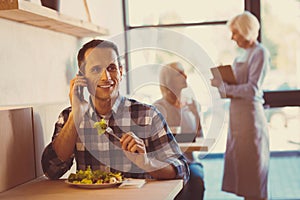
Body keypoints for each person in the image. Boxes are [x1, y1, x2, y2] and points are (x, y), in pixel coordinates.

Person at [41, 39, 190, 197]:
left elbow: (181, 169)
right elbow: (52, 170)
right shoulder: (69, 116)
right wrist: (75, 116)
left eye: (111, 68)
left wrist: (147, 163)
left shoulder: (147, 115)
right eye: (96, 69)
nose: (106, 77)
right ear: (82, 77)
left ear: (120, 71)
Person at [211, 11, 270, 200]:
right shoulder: (243, 55)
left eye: (235, 32)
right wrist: (221, 84)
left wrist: (226, 86)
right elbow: (236, 88)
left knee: (253, 175)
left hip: (250, 121)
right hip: (237, 121)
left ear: (246, 31)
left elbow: (252, 90)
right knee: (244, 176)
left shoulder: (260, 53)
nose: (232, 37)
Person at [153, 62, 205, 200]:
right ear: (168, 80)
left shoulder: (193, 105)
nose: (185, 76)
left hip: (190, 161)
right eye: (179, 74)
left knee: (197, 180)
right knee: (182, 186)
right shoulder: (157, 107)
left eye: (184, 72)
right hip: (168, 163)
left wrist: (197, 115)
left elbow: (199, 137)